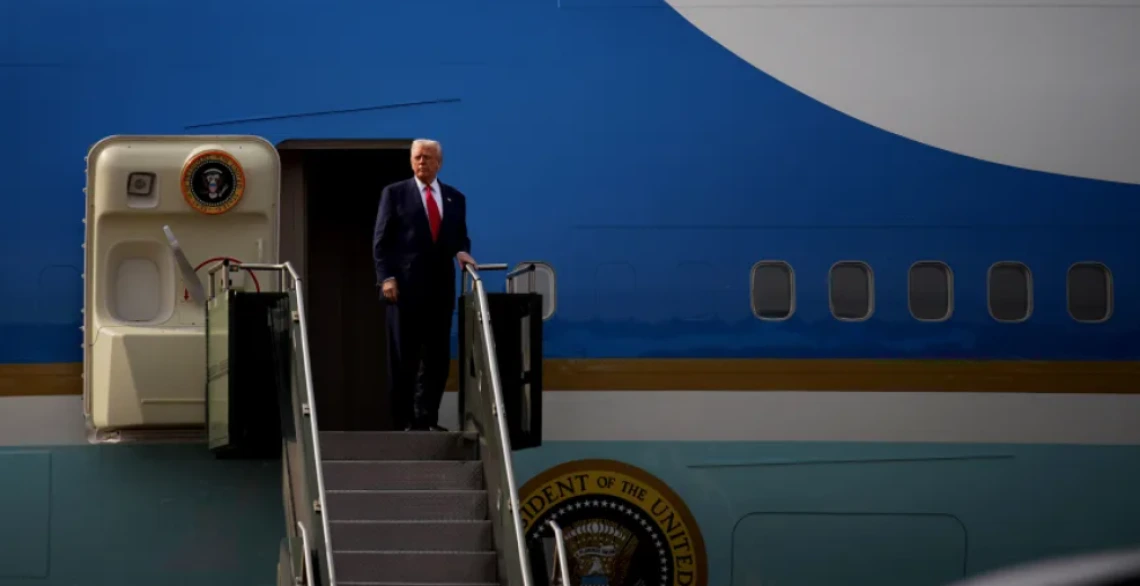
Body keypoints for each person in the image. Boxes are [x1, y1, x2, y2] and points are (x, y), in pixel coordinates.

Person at [372, 139, 476, 431]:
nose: (422, 162)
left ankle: (425, 418)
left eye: (428, 158)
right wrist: (386, 278)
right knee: (404, 358)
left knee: (437, 359)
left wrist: (462, 251)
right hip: (403, 291)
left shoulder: (456, 198)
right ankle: (402, 421)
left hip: (440, 291)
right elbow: (381, 242)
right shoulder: (394, 194)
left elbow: (459, 237)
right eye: (417, 157)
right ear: (411, 161)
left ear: (439, 163)